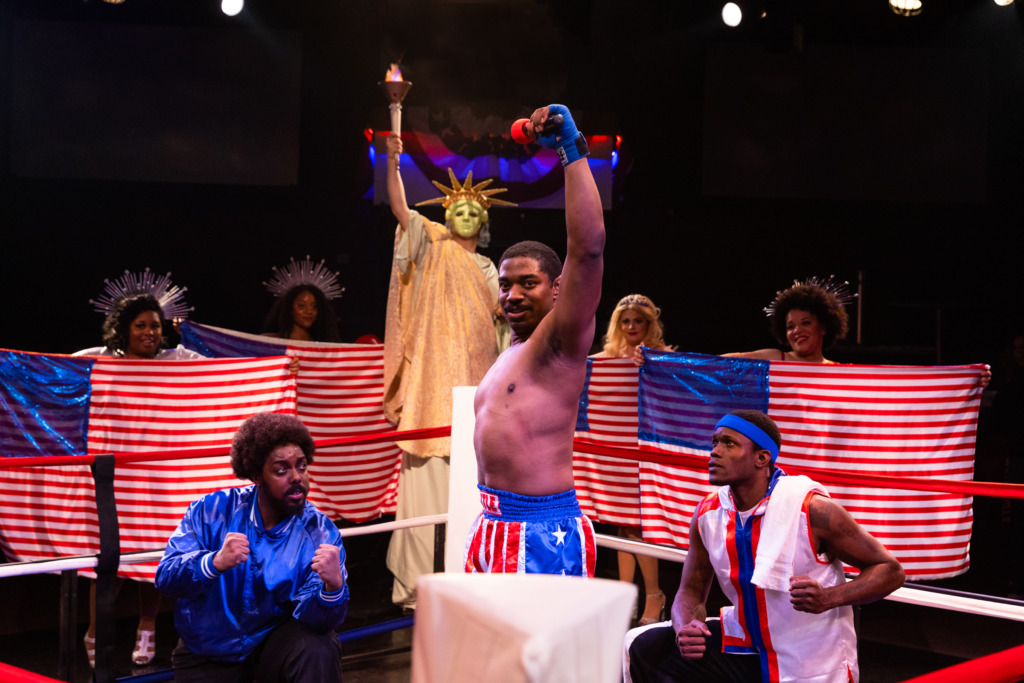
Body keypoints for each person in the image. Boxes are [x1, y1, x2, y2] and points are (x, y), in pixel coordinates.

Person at [626, 410, 905, 683]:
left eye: (729, 443)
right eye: (714, 442)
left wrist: (829, 597)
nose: (714, 451)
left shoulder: (812, 509)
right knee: (642, 646)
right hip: (745, 644)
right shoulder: (707, 513)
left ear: (762, 458)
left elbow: (890, 570)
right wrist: (685, 627)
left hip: (808, 655)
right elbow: (691, 589)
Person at [465, 103, 605, 577]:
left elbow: (587, 250)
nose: (513, 293)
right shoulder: (512, 350)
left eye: (529, 283)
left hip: (543, 534)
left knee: (543, 655)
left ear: (558, 288)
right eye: (506, 284)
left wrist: (571, 150)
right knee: (485, 653)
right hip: (490, 525)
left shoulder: (559, 342)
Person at [382, 130, 514, 609]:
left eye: (472, 210)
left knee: (473, 495)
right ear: (445, 215)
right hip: (431, 384)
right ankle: (415, 586)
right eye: (456, 208)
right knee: (423, 493)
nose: (463, 214)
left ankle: (468, 579)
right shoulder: (431, 245)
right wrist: (393, 164)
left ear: (482, 221)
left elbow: (502, 327)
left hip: (475, 385)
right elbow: (400, 210)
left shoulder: (489, 269)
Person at [155, 412, 348, 682]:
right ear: (257, 475)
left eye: (302, 466)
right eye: (282, 469)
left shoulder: (320, 531)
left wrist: (333, 590)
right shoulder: (211, 510)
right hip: (206, 653)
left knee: (318, 646)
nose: (296, 477)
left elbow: (319, 623)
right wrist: (213, 563)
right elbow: (166, 579)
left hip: (271, 649)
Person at [73, 272, 201, 668]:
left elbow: (224, 373)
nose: (149, 333)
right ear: (124, 328)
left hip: (157, 475)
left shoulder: (175, 360)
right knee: (105, 558)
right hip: (114, 476)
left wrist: (288, 368)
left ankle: (147, 627)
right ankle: (96, 630)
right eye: (141, 325)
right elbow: (60, 371)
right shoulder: (103, 359)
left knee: (156, 554)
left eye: (155, 326)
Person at [592, 294, 675, 623]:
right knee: (619, 522)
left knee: (637, 525)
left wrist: (654, 363)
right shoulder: (605, 358)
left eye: (637, 321)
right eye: (625, 321)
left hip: (643, 450)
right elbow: (583, 370)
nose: (631, 327)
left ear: (649, 324)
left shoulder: (659, 355)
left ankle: (654, 595)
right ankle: (627, 594)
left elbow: (678, 385)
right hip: (613, 452)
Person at [725, 276, 853, 364]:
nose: (797, 331)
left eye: (806, 322)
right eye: (790, 327)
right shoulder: (775, 359)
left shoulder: (840, 372)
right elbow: (724, 363)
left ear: (823, 327)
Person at [262, 256, 344, 342]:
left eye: (314, 306)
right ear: (290, 308)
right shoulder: (270, 341)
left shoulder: (321, 349)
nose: (309, 311)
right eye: (301, 305)